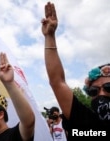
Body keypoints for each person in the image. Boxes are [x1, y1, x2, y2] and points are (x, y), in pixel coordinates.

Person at [42, 2, 110, 140]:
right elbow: (57, 82)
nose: (101, 94)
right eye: (93, 91)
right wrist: (49, 36)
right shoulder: (85, 122)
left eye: (108, 87)